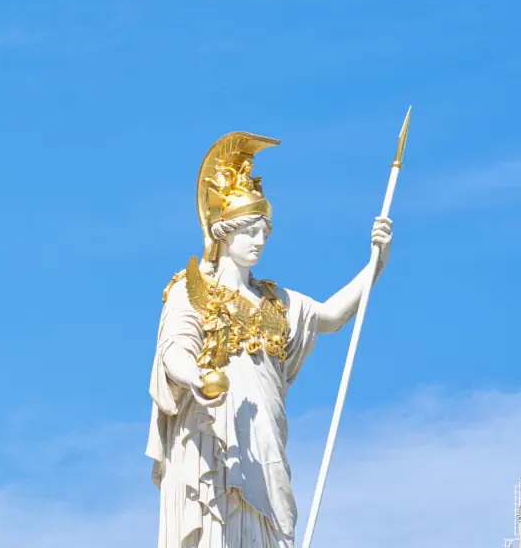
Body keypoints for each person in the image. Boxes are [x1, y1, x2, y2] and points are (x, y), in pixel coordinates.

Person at [150, 133, 393, 548]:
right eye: (250, 231)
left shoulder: (275, 301)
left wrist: (375, 264)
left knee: (271, 525)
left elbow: (331, 317)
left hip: (266, 438)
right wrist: (197, 378)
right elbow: (174, 351)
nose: (260, 240)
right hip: (213, 430)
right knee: (219, 526)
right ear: (224, 232)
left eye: (265, 231)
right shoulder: (191, 290)